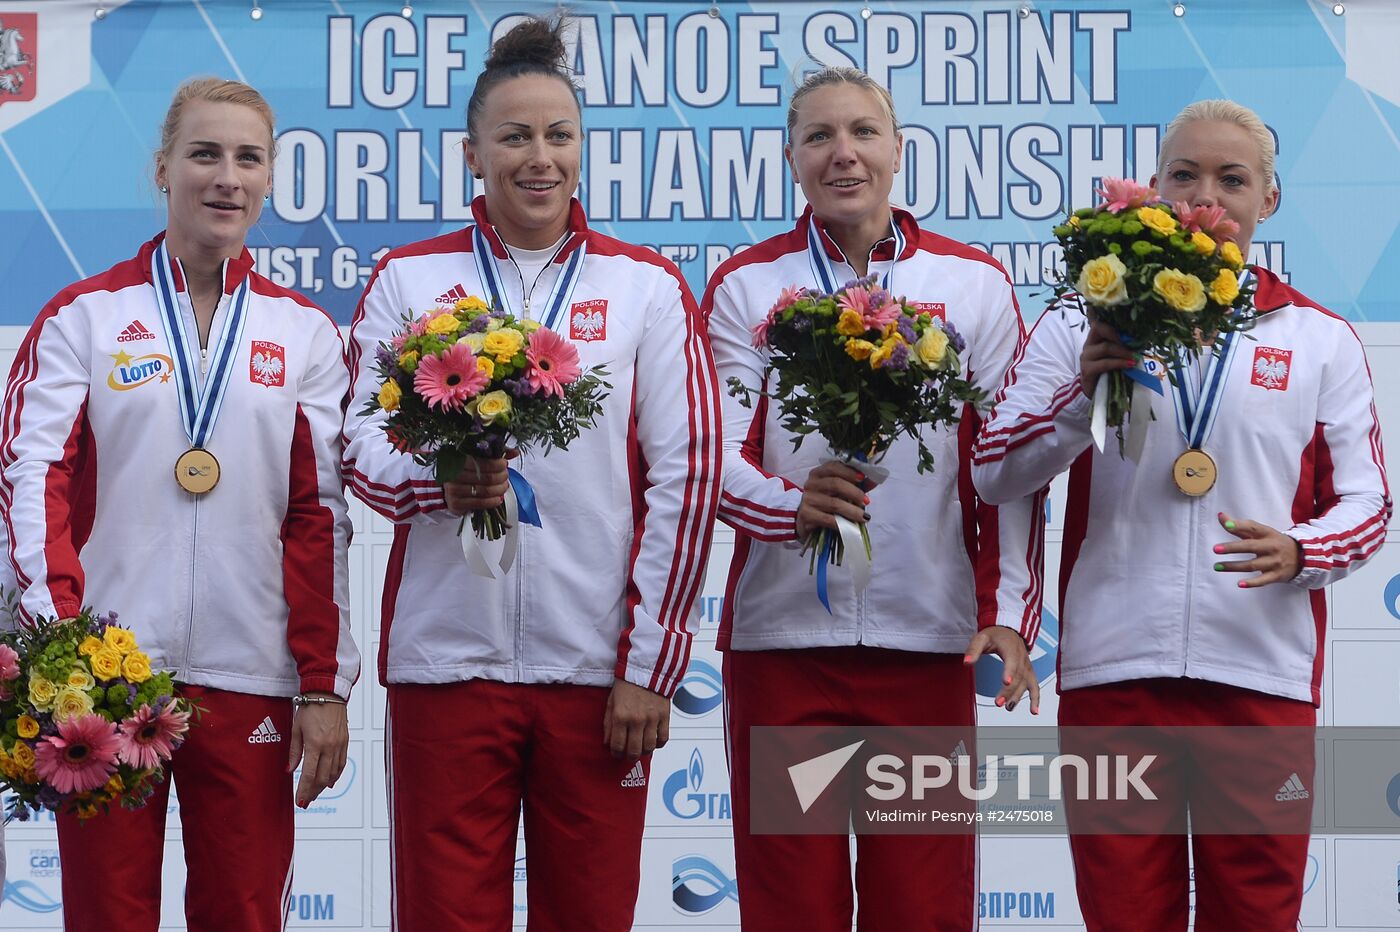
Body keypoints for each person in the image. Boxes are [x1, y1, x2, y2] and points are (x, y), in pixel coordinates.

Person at [972, 99, 1390, 930]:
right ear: (1154, 191)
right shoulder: (1079, 319)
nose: (1207, 199)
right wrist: (1078, 396)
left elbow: (1369, 503)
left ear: (1269, 200)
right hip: (1114, 676)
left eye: (1232, 180)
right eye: (1184, 176)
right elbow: (994, 472)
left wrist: (1302, 550)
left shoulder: (1318, 337)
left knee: (1258, 915)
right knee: (1124, 915)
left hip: (1260, 680)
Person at [341, 18, 720, 931]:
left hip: (597, 675)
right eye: (514, 137)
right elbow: (355, 443)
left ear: (583, 149)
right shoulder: (408, 278)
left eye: (558, 136)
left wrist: (651, 664)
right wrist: (441, 483)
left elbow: (689, 475)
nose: (538, 158)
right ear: (474, 154)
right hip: (447, 667)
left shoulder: (645, 286)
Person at [0, 77, 358, 931]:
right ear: (162, 169)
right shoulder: (83, 317)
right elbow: (29, 477)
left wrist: (323, 684)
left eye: (248, 157)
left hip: (250, 677)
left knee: (242, 912)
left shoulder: (305, 333)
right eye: (204, 154)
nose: (226, 177)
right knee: (108, 915)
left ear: (270, 179)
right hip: (109, 683)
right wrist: (61, 651)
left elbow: (321, 519)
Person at [703, 65, 1044, 931]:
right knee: (791, 908)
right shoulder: (747, 285)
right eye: (819, 137)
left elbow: (1003, 466)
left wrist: (1008, 609)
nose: (842, 153)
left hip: (930, 642)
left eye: (862, 132)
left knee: (922, 907)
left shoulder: (972, 284)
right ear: (791, 158)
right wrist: (791, 506)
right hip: (784, 648)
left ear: (898, 150)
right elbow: (713, 455)